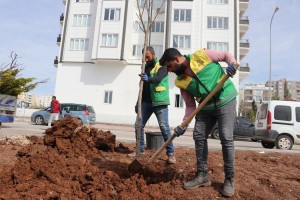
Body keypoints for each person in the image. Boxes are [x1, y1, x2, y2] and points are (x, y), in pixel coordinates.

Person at [159, 48, 238, 197]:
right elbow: (190, 105)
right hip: (205, 107)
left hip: (225, 99)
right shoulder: (181, 81)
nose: (169, 71)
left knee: (226, 137)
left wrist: (232, 64)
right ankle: (202, 175)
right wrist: (184, 124)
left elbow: (226, 55)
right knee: (199, 136)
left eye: (169, 66)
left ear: (176, 59)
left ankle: (229, 179)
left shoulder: (202, 55)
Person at [135, 46, 175, 164]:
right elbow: (142, 87)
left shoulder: (162, 65)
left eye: (147, 57)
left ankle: (171, 154)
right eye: (144, 58)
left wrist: (149, 78)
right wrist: (138, 103)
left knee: (164, 127)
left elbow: (158, 78)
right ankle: (140, 151)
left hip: (159, 101)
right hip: (146, 102)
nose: (146, 59)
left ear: (153, 54)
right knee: (138, 125)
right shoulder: (145, 67)